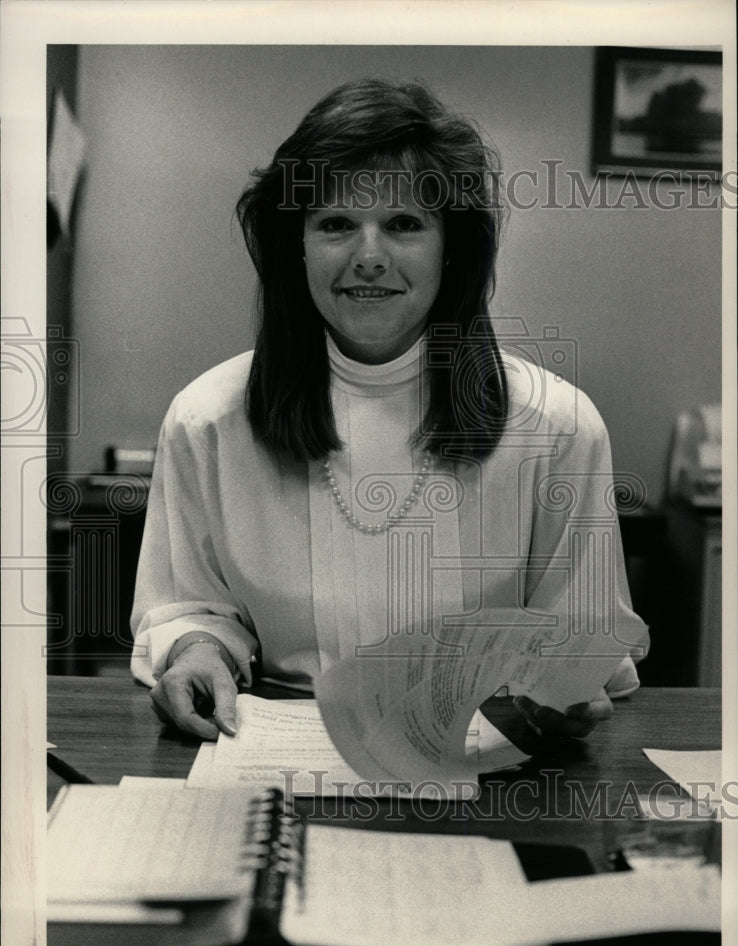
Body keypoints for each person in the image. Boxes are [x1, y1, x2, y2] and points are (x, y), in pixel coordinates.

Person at [130, 78, 647, 744]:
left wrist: (562, 687)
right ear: (298, 245)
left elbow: (581, 641)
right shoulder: (206, 420)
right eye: (337, 223)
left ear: (451, 245)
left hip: (484, 767)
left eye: (404, 224)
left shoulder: (559, 427)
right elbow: (190, 606)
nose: (368, 257)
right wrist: (197, 650)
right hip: (271, 760)